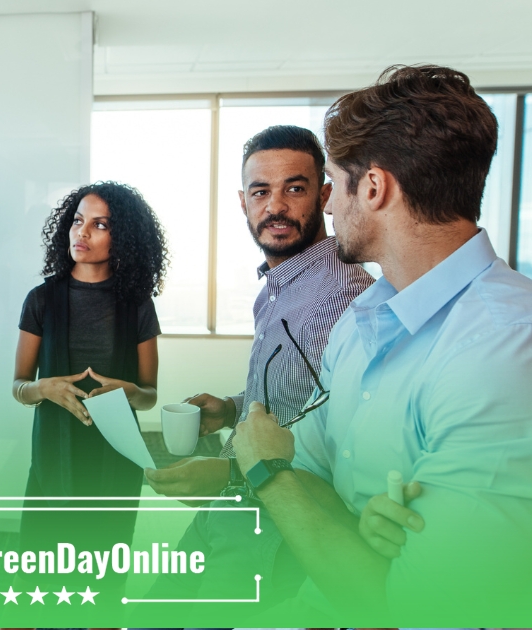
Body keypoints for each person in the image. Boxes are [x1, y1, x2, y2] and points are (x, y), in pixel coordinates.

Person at [231, 65, 532, 617]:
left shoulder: (516, 354)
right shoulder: (366, 315)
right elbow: (310, 466)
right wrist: (349, 524)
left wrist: (268, 474)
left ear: (374, 186)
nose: (330, 208)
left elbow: (422, 611)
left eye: (333, 186)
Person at [142, 125, 373, 601]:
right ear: (243, 202)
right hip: (233, 503)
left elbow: (322, 435)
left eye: (295, 188)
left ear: (325, 195)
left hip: (271, 523)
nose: (276, 206)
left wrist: (230, 475)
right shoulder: (280, 284)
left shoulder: (340, 295)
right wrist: (231, 409)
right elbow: (292, 394)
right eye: (261, 191)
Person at [10, 181, 168, 594]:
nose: (82, 233)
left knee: (103, 587)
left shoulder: (137, 304)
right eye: (78, 221)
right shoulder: (41, 299)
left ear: (124, 239)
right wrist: (43, 389)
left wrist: (129, 391)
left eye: (99, 225)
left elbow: (149, 395)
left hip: (114, 460)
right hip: (52, 459)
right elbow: (19, 385)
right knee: (42, 583)